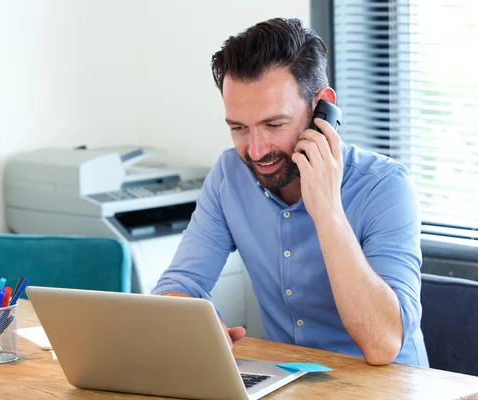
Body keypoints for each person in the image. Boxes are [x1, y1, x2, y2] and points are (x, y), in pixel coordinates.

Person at [151, 17, 429, 367]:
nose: (255, 150)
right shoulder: (229, 175)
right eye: (239, 128)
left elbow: (383, 345)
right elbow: (180, 283)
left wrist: (326, 209)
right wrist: (192, 323)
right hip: (294, 384)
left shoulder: (385, 187)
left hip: (391, 388)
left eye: (274, 125)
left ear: (321, 109)